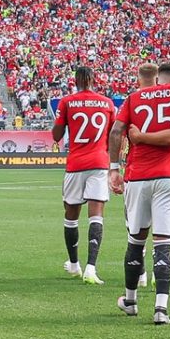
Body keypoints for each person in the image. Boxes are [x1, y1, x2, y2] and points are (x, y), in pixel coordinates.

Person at [115, 60, 170, 322]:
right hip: (169, 176)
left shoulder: (134, 97)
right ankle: (161, 309)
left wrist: (114, 168)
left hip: (138, 176)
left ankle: (131, 300)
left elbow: (116, 131)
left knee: (136, 239)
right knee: (163, 242)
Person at [53, 65, 117, 284]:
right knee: (96, 215)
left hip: (76, 163)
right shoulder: (107, 103)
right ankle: (91, 267)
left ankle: (74, 264)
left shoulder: (67, 102)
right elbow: (113, 135)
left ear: (76, 80)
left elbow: (56, 134)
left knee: (71, 214)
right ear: (93, 79)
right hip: (99, 162)